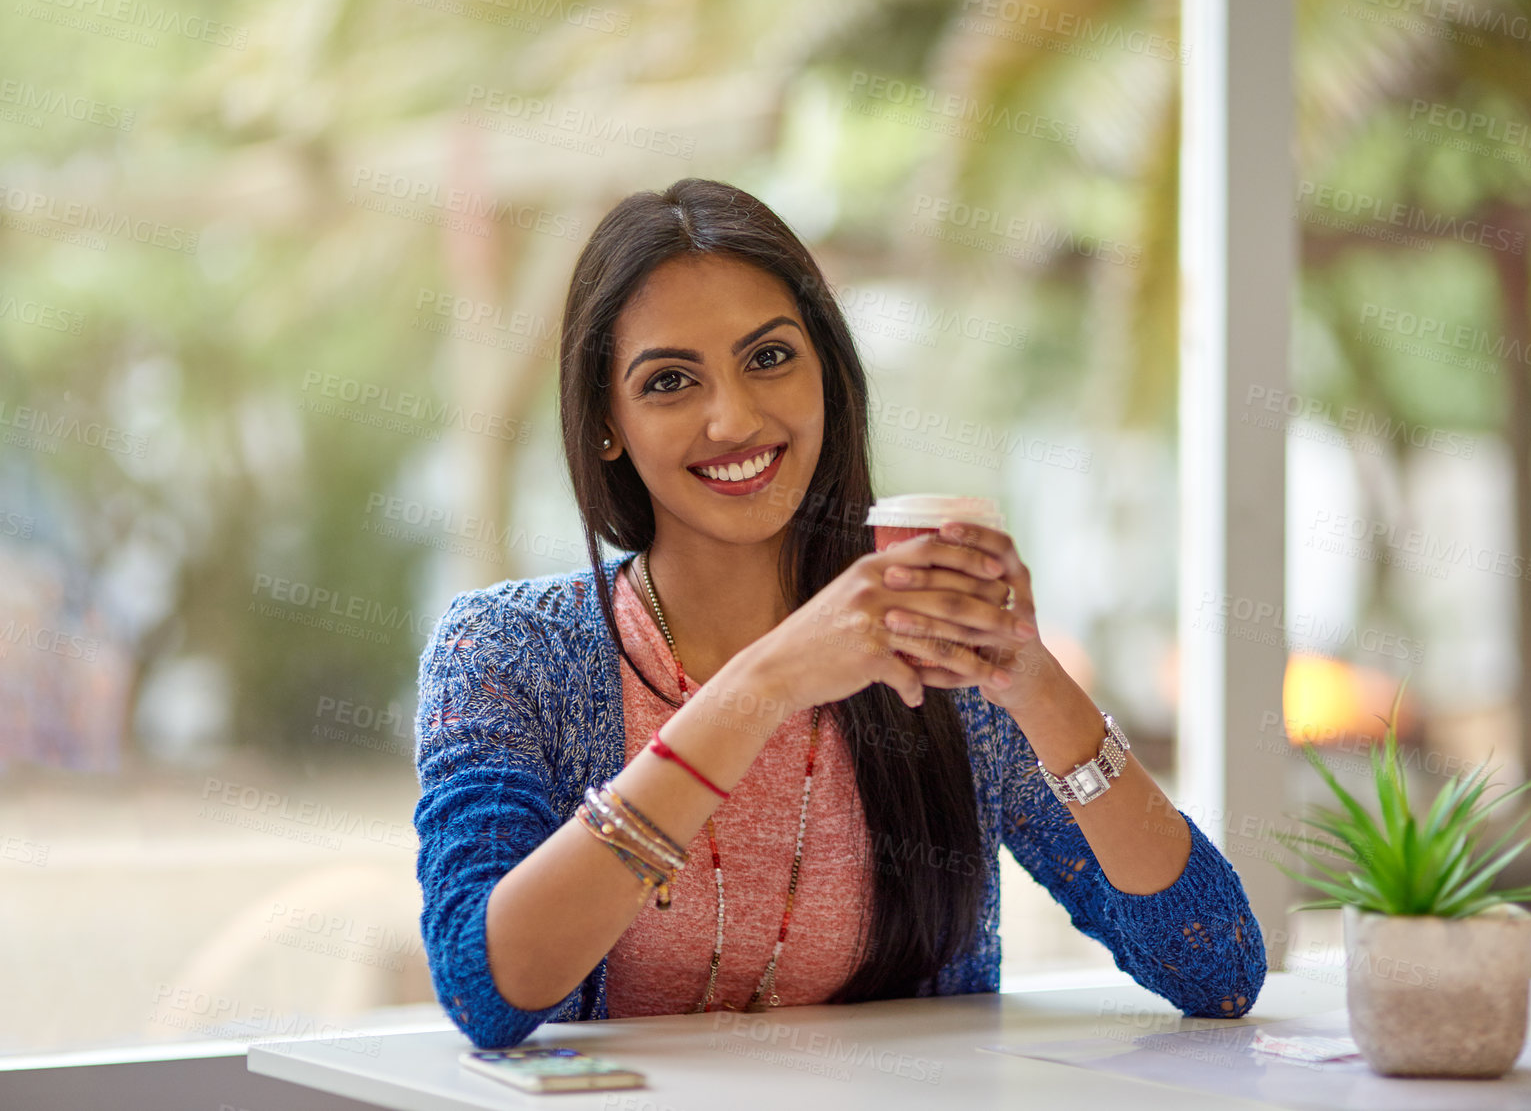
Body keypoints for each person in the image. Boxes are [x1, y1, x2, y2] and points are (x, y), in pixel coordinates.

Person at [412, 177, 1266, 1050]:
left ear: (828, 374)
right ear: (606, 422)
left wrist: (1037, 685)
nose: (733, 417)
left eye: (770, 357)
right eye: (670, 381)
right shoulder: (509, 650)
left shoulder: (926, 644)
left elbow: (1218, 968)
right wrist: (767, 680)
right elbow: (488, 987)